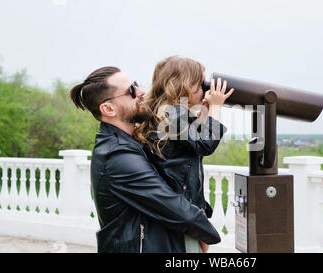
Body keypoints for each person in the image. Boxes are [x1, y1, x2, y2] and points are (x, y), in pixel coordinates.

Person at [69, 66, 221, 253]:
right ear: (108, 109)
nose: (141, 92)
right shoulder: (118, 157)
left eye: (137, 85)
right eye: (131, 91)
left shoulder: (131, 142)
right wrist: (205, 233)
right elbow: (175, 209)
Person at [133, 56, 233, 253]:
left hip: (172, 210)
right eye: (200, 84)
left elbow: (190, 147)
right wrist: (216, 106)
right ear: (183, 87)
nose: (205, 90)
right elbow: (206, 144)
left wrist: (204, 113)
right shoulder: (174, 112)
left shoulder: (160, 112)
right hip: (182, 212)